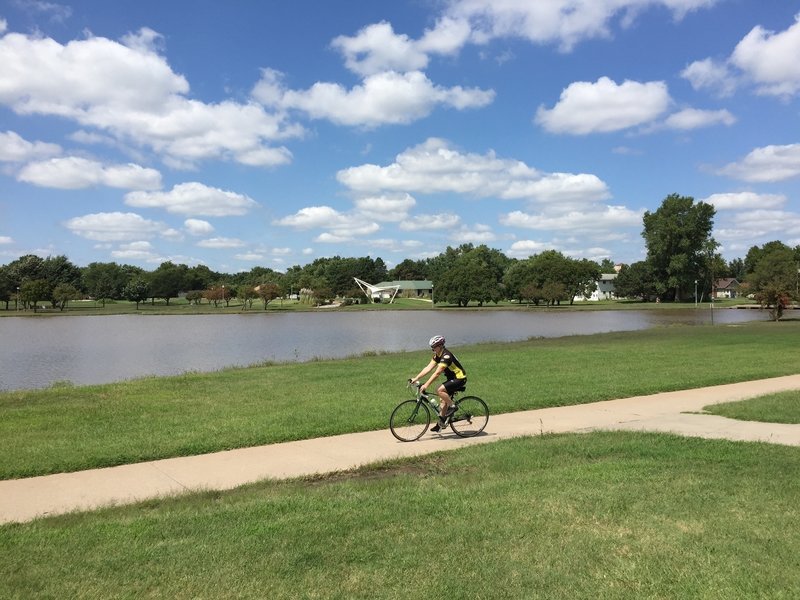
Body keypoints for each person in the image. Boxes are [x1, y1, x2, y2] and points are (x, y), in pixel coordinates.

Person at [410, 335, 467, 432]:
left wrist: (426, 385)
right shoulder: (438, 356)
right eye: (431, 348)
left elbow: (437, 373)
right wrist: (416, 378)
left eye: (434, 347)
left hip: (459, 378)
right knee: (442, 400)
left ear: (440, 346)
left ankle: (453, 406)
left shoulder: (446, 356)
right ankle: (441, 423)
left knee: (439, 389)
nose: (433, 350)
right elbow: (428, 368)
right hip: (452, 378)